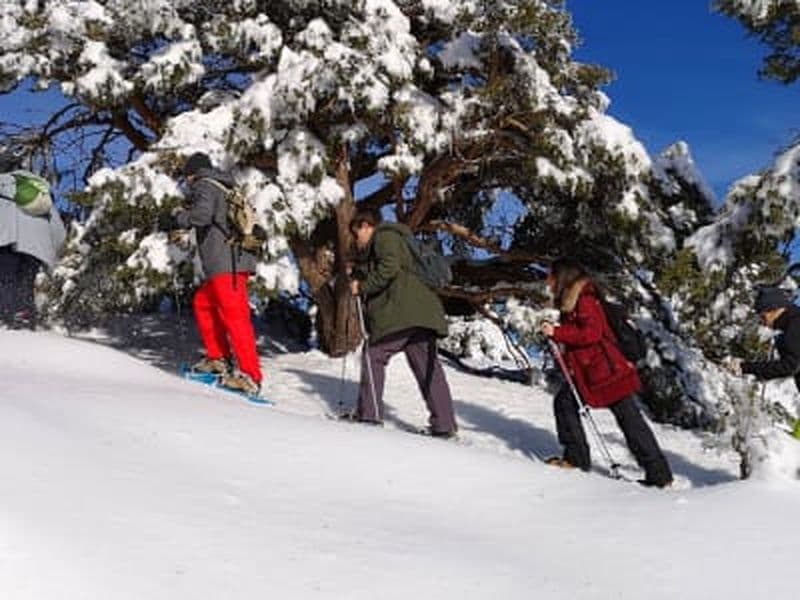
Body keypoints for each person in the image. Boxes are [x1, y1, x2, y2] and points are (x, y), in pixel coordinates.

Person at [540, 258, 673, 487]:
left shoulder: (585, 300)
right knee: (575, 405)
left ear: (563, 277)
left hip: (605, 373)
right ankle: (658, 474)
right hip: (597, 372)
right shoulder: (577, 300)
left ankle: (578, 459)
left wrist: (557, 332)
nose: (548, 281)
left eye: (551, 276)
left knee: (627, 420)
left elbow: (591, 333)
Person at [347, 208, 458, 438]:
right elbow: (389, 267)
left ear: (366, 226)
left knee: (374, 354)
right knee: (428, 368)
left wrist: (363, 287)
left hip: (403, 312)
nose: (356, 239)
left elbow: (389, 267)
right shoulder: (394, 239)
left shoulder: (385, 236)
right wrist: (360, 272)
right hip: (422, 313)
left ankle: (369, 414)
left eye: (356, 233)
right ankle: (444, 425)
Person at [160, 152, 262, 395]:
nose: (186, 182)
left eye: (186, 177)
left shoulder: (205, 184)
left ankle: (251, 376)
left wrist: (177, 218)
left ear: (192, 173)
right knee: (203, 303)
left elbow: (201, 216)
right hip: (225, 263)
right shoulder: (221, 186)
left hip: (228, 264)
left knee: (236, 318)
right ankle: (218, 359)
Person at [0, 154, 66, 329]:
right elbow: (58, 229)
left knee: (5, 279)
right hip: (36, 245)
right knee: (25, 281)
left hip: (5, 238)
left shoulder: (1, 183)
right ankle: (23, 315)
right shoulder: (41, 192)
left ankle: (6, 318)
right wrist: (56, 251)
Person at [725, 286, 800, 438]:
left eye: (762, 315)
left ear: (773, 309)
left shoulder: (795, 326)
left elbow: (790, 366)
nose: (763, 322)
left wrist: (745, 367)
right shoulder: (792, 324)